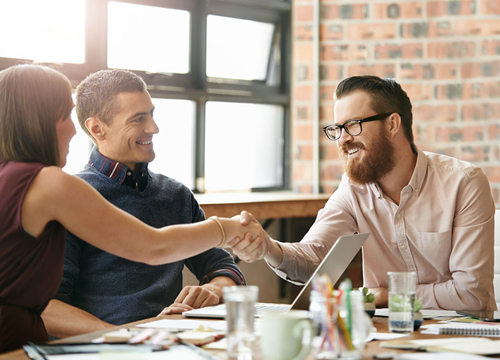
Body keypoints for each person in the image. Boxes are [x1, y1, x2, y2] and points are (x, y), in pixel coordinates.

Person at [0, 64, 264, 353]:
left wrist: (213, 289)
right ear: (96, 128)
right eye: (65, 114)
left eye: (151, 115)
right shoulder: (56, 187)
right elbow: (153, 247)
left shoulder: (175, 194)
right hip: (85, 347)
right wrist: (227, 228)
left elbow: (221, 265)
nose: (73, 130)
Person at [232, 75, 496, 311]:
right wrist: (269, 247)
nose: (343, 139)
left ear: (393, 124)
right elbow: (312, 260)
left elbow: (470, 295)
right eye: (337, 129)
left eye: (354, 125)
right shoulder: (353, 189)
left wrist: (386, 296)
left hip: (461, 336)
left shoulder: (463, 182)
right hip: (388, 336)